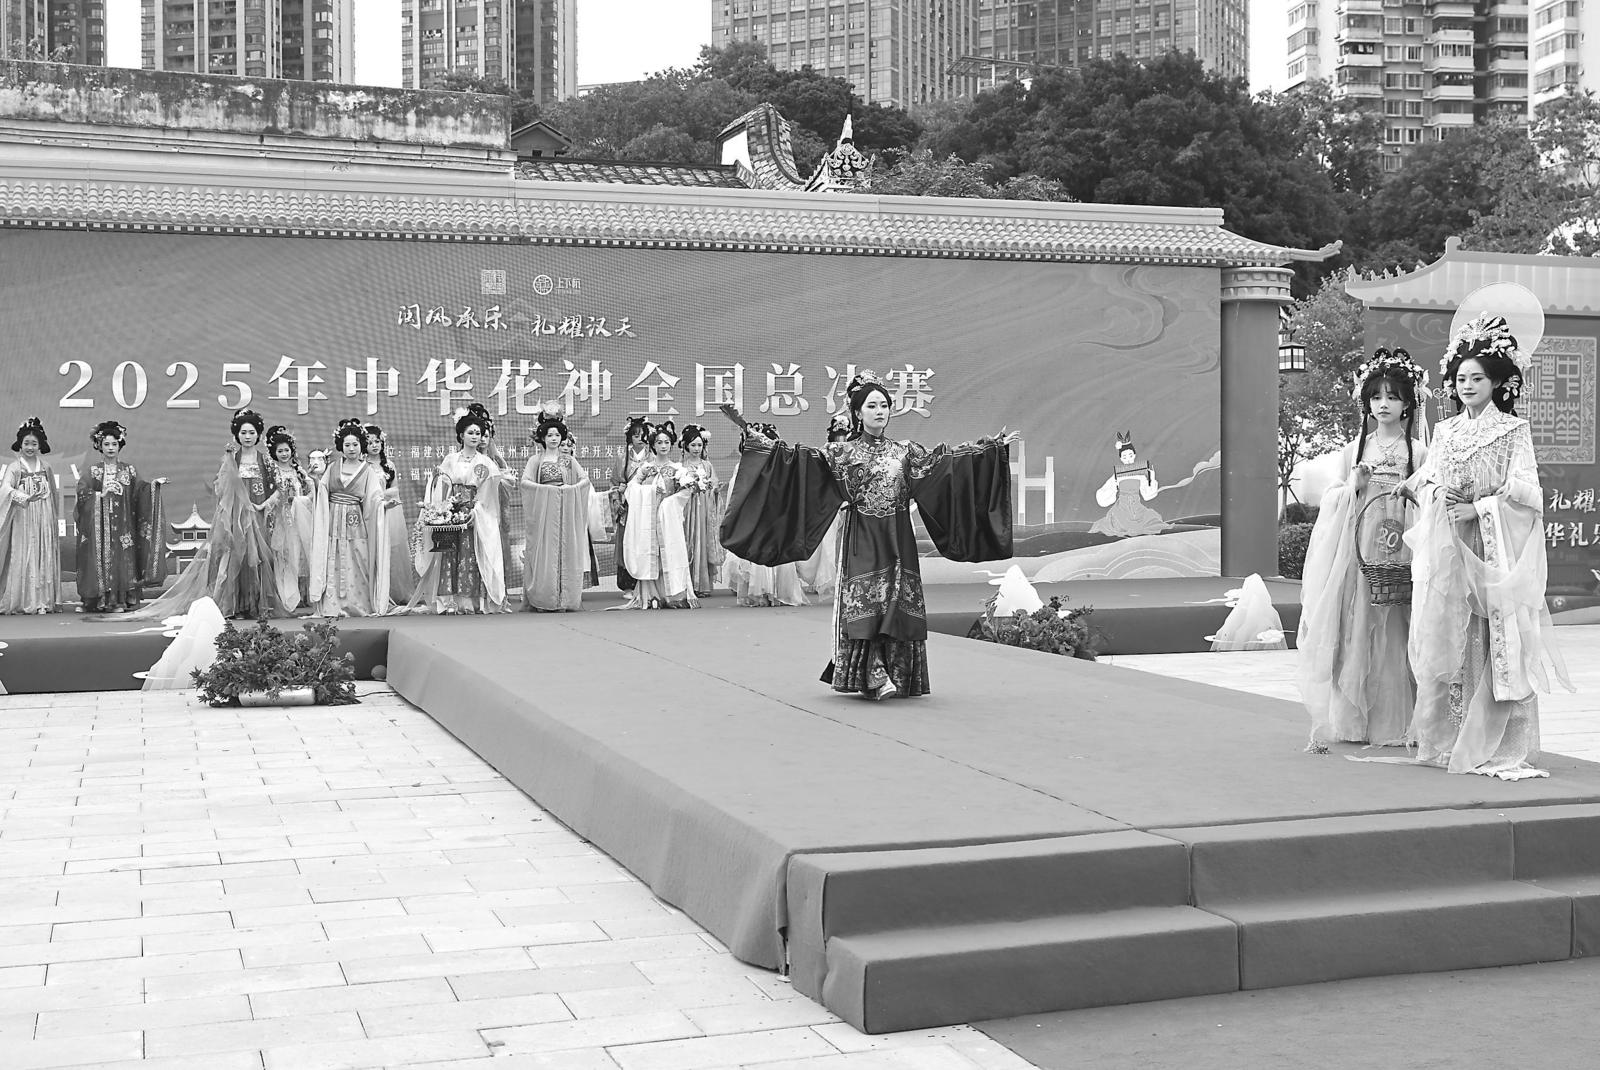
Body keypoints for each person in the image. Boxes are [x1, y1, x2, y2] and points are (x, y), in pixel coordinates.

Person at [721, 371, 1018, 698]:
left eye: (884, 405)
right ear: (857, 413)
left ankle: (897, 673)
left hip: (898, 538)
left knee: (896, 599)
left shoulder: (905, 452)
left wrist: (989, 450)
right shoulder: (842, 454)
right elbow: (796, 464)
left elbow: (945, 463)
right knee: (869, 601)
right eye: (872, 406)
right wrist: (750, 432)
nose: (880, 411)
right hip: (863, 537)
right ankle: (873, 673)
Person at [1402, 313, 1571, 778]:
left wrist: (1479, 509)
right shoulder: (1445, 432)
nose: (1467, 386)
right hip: (1450, 543)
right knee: (1449, 631)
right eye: (1461, 379)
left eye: (1477, 378)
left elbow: (1530, 493)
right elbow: (1427, 479)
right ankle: (1449, 737)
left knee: (1492, 632)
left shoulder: (1514, 431)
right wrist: (1439, 494)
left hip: (1492, 545)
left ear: (1497, 382)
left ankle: (1498, 742)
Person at [1297, 350, 1431, 751]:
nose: (1383, 404)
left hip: (1401, 548)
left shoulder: (1419, 452)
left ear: (1408, 403)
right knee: (1359, 622)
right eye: (1376, 397)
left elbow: (1429, 499)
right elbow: (1332, 498)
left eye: (1392, 397)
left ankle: (1397, 721)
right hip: (1360, 550)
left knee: (1398, 626)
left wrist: (1410, 494)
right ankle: (1356, 720)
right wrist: (1353, 486)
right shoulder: (1353, 450)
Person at [132, 409, 279, 620]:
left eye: (252, 432)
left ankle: (255, 604)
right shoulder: (232, 458)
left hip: (257, 516)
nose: (247, 437)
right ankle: (234, 606)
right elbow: (219, 489)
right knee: (232, 557)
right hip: (234, 518)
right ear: (236, 435)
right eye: (243, 432)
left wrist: (264, 504)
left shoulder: (266, 461)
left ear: (259, 435)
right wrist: (229, 465)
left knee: (255, 559)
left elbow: (280, 488)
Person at [409, 403, 508, 614]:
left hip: (473, 513)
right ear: (461, 435)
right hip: (451, 513)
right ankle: (448, 601)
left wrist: (476, 510)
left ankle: (469, 602)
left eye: (478, 433)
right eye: (470, 432)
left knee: (470, 554)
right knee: (449, 554)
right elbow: (441, 486)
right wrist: (440, 510)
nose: (475, 437)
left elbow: (488, 493)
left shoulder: (486, 463)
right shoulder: (450, 460)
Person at [75, 420, 168, 614]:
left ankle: (121, 600)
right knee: (99, 559)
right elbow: (83, 493)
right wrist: (100, 495)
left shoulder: (129, 470)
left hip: (123, 525)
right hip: (100, 527)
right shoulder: (94, 471)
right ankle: (99, 600)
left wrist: (154, 486)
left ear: (120, 445)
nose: (110, 448)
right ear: (99, 446)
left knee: (123, 559)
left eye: (114, 444)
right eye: (106, 444)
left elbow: (140, 491)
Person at [721, 423, 809, 607]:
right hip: (755, 517)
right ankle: (760, 592)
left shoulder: (782, 467)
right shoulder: (746, 467)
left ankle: (779, 591)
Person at [309, 420, 390, 618]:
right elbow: (323, 491)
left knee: (358, 559)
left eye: (355, 444)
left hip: (355, 522)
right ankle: (332, 605)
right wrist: (314, 483)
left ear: (361, 445)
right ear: (341, 446)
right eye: (347, 445)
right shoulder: (332, 468)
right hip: (334, 520)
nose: (351, 449)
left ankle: (358, 604)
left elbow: (374, 497)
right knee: (333, 559)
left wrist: (383, 506)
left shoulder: (367, 471)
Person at [519, 408, 592, 612]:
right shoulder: (536, 460)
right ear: (542, 437)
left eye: (557, 435)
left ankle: (564, 599)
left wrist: (571, 489)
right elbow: (525, 482)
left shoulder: (568, 460)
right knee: (544, 554)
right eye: (550, 435)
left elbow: (585, 480)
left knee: (566, 551)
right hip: (544, 514)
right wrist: (546, 490)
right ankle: (544, 599)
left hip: (566, 512)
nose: (553, 438)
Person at [619, 424, 698, 609]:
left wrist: (668, 503)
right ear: (653, 445)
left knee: (669, 553)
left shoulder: (678, 469)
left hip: (668, 519)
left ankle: (672, 595)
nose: (663, 446)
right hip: (648, 518)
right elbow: (631, 489)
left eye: (667, 442)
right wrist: (650, 491)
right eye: (659, 442)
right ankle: (650, 595)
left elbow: (686, 492)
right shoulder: (646, 468)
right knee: (651, 554)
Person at [0, 416, 62, 614]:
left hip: (43, 516)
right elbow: (5, 489)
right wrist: (24, 497)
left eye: (34, 444)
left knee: (42, 552)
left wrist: (52, 518)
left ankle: (43, 600)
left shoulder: (46, 467)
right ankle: (22, 600)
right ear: (20, 444)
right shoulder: (15, 467)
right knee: (23, 553)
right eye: (26, 443)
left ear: (40, 445)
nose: (30, 447)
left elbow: (53, 493)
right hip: (22, 517)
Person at [261, 425, 317, 613]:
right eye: (280, 451)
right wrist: (265, 506)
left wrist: (302, 500)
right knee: (285, 555)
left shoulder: (298, 471)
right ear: (274, 453)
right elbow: (273, 495)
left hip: (300, 518)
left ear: (292, 450)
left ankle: (305, 595)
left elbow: (311, 492)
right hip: (281, 520)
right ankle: (286, 594)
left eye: (286, 450)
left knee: (301, 553)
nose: (284, 454)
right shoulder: (272, 472)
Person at [795, 412, 852, 597]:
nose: (841, 439)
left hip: (850, 503)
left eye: (844, 434)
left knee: (847, 544)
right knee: (828, 544)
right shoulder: (825, 453)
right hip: (831, 504)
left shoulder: (855, 452)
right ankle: (827, 580)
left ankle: (846, 581)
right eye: (838, 434)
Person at [669, 423, 723, 597]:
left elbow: (714, 484)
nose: (696, 448)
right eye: (693, 445)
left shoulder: (707, 466)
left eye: (699, 445)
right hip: (687, 511)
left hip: (704, 511)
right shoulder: (680, 466)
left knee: (702, 542)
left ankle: (703, 585)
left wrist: (714, 488)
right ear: (685, 446)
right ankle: (686, 584)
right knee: (687, 542)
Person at [365, 423, 415, 606]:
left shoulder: (389, 465)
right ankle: (375, 593)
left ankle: (395, 592)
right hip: (371, 511)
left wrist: (382, 495)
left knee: (393, 550)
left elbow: (395, 489)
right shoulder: (362, 466)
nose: (374, 445)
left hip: (389, 511)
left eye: (377, 441)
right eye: (370, 442)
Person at [1090, 433, 1164, 536]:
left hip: (1137, 507)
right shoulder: (1117, 476)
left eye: (1130, 455)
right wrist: (1114, 487)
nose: (1128, 459)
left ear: (1134, 455)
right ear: (1121, 459)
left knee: (1147, 524)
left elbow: (1147, 495)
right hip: (1121, 508)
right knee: (1119, 526)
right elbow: (1105, 492)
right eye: (1124, 457)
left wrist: (1152, 477)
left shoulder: (1141, 475)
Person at [611, 416, 651, 592]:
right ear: (630, 438)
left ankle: (645, 584)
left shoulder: (652, 458)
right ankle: (627, 585)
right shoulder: (622, 458)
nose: (640, 439)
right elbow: (614, 483)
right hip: (627, 506)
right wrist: (617, 500)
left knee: (644, 542)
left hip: (646, 506)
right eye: (636, 435)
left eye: (643, 435)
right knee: (626, 542)